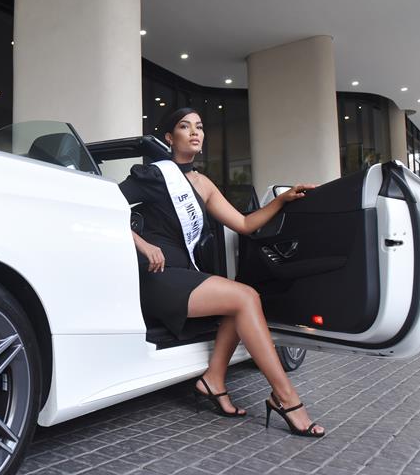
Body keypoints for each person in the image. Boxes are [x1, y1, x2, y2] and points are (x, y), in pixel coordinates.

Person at [119, 107, 325, 437]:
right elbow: (103, 206)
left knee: (239, 303)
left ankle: (214, 380)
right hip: (157, 275)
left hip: (182, 273)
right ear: (170, 137)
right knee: (245, 297)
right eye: (185, 126)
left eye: (199, 126)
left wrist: (282, 201)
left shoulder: (203, 183)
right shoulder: (155, 175)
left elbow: (244, 224)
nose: (194, 132)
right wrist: (142, 243)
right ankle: (286, 398)